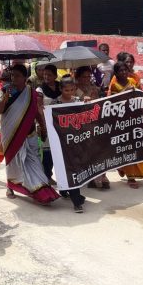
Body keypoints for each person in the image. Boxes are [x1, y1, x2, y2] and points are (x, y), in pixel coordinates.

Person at [0, 64, 59, 204]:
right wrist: (5, 98)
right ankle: (10, 186)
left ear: (25, 77)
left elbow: (36, 112)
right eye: (12, 75)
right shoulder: (4, 90)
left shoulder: (31, 93)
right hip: (11, 133)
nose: (14, 78)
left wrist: (43, 127)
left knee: (34, 161)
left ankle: (41, 188)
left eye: (17, 76)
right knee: (13, 161)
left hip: (29, 133)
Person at [109, 61, 143, 188]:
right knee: (126, 147)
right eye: (120, 70)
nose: (123, 72)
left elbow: (141, 96)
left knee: (136, 145)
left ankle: (128, 170)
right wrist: (126, 91)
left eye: (125, 70)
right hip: (122, 120)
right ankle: (130, 177)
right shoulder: (114, 85)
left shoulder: (133, 81)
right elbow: (113, 101)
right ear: (116, 73)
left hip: (134, 118)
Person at [54, 77, 87, 212]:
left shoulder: (78, 101)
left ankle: (72, 197)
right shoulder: (55, 103)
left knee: (75, 169)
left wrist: (87, 103)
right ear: (61, 89)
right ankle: (74, 198)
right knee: (67, 169)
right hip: (61, 142)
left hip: (76, 142)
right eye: (66, 90)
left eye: (72, 90)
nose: (70, 92)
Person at [74, 66, 110, 190]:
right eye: (84, 77)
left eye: (89, 76)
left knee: (99, 150)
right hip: (79, 124)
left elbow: (98, 104)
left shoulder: (94, 88)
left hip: (93, 123)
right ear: (78, 77)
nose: (87, 79)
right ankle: (90, 177)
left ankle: (102, 176)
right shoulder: (73, 89)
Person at [35, 64, 61, 184]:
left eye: (49, 75)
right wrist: (43, 126)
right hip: (46, 124)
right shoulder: (40, 90)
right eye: (45, 74)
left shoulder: (61, 87)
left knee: (59, 152)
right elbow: (39, 108)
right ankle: (46, 176)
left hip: (60, 124)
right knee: (47, 152)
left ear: (55, 76)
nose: (46, 77)